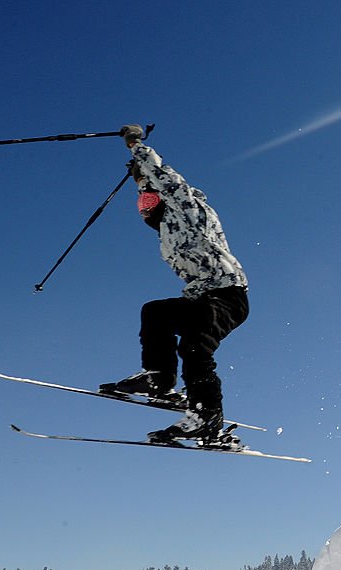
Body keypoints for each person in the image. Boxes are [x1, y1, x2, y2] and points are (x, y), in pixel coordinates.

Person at [100, 125, 249, 447]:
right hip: (204, 298)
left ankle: (206, 418)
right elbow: (151, 185)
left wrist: (135, 146)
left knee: (195, 346)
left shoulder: (187, 208)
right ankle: (159, 379)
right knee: (155, 312)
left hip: (227, 295)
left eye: (148, 203)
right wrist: (140, 180)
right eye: (142, 206)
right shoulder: (166, 234)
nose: (144, 211)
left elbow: (166, 179)